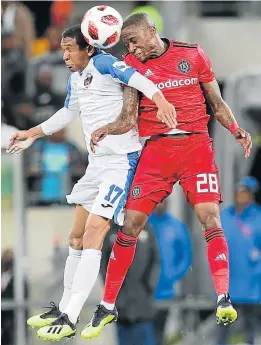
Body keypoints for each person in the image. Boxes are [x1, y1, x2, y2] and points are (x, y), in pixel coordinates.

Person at [85, 12, 253, 338]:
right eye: (126, 44)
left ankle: (222, 296)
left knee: (210, 217)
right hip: (156, 151)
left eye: (133, 40)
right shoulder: (131, 66)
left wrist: (234, 128)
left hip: (195, 147)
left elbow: (215, 102)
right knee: (129, 224)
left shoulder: (193, 54)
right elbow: (128, 117)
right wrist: (108, 129)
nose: (131, 48)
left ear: (151, 31)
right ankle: (107, 305)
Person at [7, 24, 176, 341]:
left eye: (70, 48)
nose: (65, 54)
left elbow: (137, 78)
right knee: (75, 237)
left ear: (89, 48)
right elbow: (66, 114)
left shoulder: (103, 62)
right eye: (63, 47)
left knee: (95, 232)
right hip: (97, 165)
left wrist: (160, 99)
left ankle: (71, 316)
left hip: (119, 164)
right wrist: (30, 133)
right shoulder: (75, 78)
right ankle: (62, 308)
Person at [217, 176, 261, 345]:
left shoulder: (258, 217)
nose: (241, 195)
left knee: (250, 329)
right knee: (223, 327)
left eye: (245, 192)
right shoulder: (225, 216)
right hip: (228, 283)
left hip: (252, 284)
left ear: (251, 195)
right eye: (239, 191)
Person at [100, 222, 160, 345]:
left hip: (143, 303)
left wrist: (149, 285)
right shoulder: (112, 232)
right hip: (121, 305)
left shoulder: (147, 230)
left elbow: (155, 260)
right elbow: (103, 263)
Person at [148, 200, 192, 345]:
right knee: (144, 332)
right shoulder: (145, 224)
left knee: (160, 331)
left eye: (163, 200)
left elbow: (185, 255)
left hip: (166, 290)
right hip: (145, 290)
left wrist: (173, 274)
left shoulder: (176, 226)